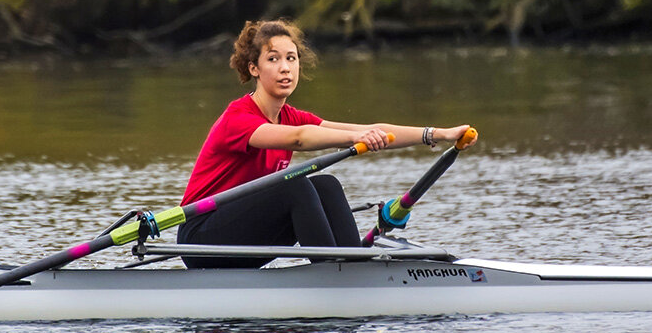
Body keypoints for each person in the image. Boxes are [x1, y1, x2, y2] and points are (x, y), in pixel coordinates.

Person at [177, 18, 474, 268]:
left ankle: (352, 267)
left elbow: (373, 129)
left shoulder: (291, 116)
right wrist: (355, 138)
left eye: (291, 58)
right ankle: (333, 277)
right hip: (202, 237)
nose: (285, 68)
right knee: (295, 183)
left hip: (241, 233)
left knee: (327, 185)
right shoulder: (237, 119)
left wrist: (437, 134)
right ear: (254, 68)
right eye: (273, 59)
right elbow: (300, 138)